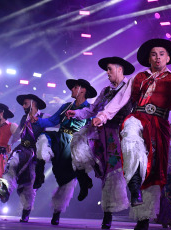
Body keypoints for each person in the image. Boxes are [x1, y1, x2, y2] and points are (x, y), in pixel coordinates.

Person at [92, 38, 171, 230]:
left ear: (168, 57)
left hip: (159, 127)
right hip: (137, 118)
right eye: (153, 54)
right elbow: (121, 99)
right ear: (148, 58)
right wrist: (104, 115)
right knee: (130, 135)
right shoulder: (137, 77)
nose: (157, 58)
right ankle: (133, 182)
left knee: (154, 170)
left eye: (161, 54)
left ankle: (143, 218)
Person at [67, 57, 134, 229]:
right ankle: (84, 180)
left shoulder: (130, 89)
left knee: (112, 173)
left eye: (110, 69)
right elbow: (93, 109)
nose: (107, 72)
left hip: (118, 134)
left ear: (120, 69)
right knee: (78, 141)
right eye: (107, 69)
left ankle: (108, 214)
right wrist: (77, 113)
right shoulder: (105, 91)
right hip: (99, 131)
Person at [32, 79, 97, 225]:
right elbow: (52, 121)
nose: (72, 90)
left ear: (82, 90)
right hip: (60, 138)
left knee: (67, 180)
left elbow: (94, 129)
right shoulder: (65, 106)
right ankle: (40, 172)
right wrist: (36, 120)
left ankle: (57, 211)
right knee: (43, 138)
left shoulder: (90, 109)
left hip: (75, 143)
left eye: (74, 87)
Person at [0, 94, 48, 222]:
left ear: (33, 103)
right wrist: (9, 143)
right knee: (12, 163)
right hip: (22, 149)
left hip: (36, 154)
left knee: (29, 184)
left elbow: (57, 123)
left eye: (25, 103)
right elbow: (18, 133)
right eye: (23, 104)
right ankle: (5, 190)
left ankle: (26, 211)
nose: (23, 106)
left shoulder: (44, 117)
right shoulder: (24, 118)